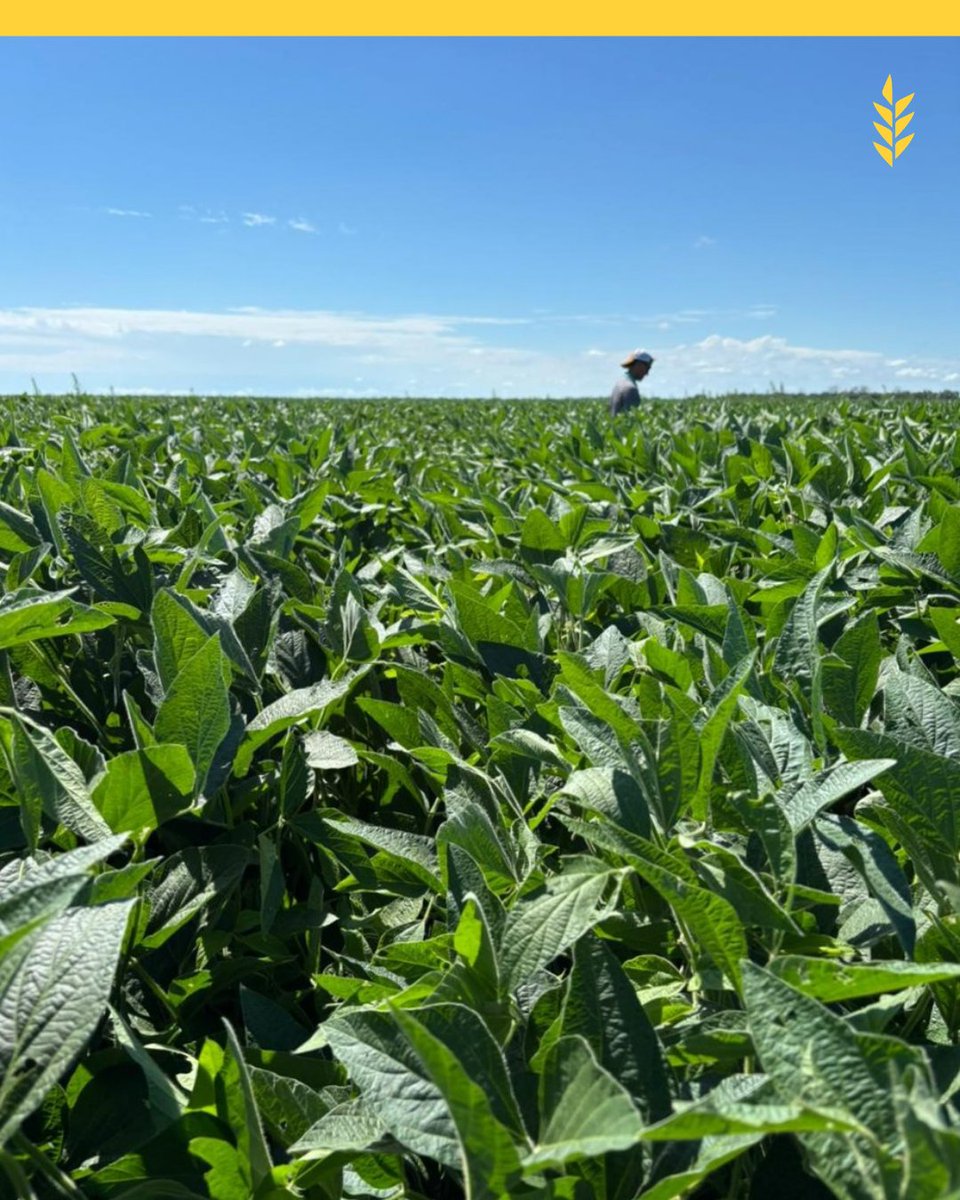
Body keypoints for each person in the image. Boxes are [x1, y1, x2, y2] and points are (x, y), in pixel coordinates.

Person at [610, 350, 654, 416]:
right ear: (639, 365)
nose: (647, 373)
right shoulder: (630, 389)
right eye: (647, 368)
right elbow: (630, 421)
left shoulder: (619, 383)